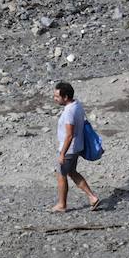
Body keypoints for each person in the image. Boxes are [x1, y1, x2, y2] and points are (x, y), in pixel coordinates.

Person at [51, 81, 99, 213]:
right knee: (72, 172)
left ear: (65, 97)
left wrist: (62, 154)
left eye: (57, 96)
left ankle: (62, 204)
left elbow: (69, 135)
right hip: (77, 146)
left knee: (61, 174)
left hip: (69, 149)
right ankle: (92, 197)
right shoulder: (77, 105)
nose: (55, 99)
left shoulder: (69, 112)